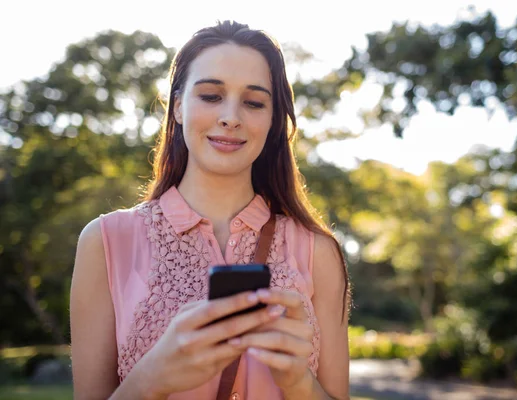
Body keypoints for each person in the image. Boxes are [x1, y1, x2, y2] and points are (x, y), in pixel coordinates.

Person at [70, 20, 350, 400]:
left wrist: (299, 382)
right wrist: (151, 376)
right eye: (211, 95)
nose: (231, 117)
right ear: (178, 107)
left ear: (271, 121)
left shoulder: (317, 251)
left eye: (253, 102)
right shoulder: (104, 242)